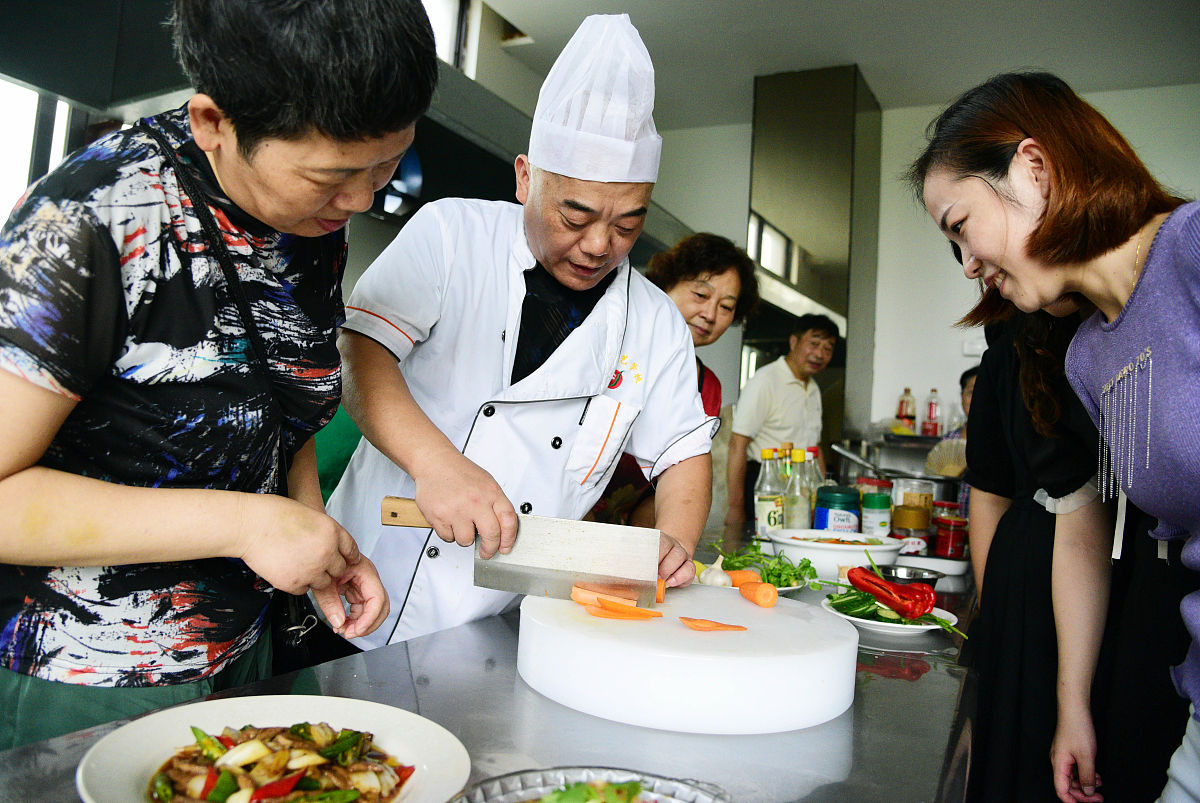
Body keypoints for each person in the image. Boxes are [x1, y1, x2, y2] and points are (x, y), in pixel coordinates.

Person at [0, 0, 438, 749]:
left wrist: (314, 540)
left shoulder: (309, 221)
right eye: (333, 174)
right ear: (212, 122)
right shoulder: (89, 220)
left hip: (246, 652)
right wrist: (246, 522)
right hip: (86, 681)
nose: (362, 199)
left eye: (387, 164)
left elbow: (277, 403)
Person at [325, 14, 716, 648]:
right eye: (576, 214)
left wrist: (675, 542)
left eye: (627, 226)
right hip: (358, 581)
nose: (598, 245)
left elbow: (680, 453)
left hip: (499, 621)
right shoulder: (453, 233)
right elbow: (362, 353)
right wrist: (438, 465)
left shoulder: (653, 320)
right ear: (526, 178)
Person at [910, 70, 1199, 802]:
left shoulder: (1191, 251)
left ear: (1033, 169)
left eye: (960, 227)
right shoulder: (1088, 355)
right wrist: (1073, 707)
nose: (969, 264)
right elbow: (1084, 515)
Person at [959, 313, 1112, 803]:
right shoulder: (1007, 348)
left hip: (1106, 562)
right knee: (1028, 743)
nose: (973, 267)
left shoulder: (1105, 330)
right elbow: (987, 488)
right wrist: (993, 607)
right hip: (1034, 569)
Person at [589, 232, 759, 527]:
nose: (709, 314)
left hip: (624, 531)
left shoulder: (709, 389)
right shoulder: (611, 348)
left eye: (726, 307)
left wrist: (650, 547)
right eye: (701, 295)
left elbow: (664, 484)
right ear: (666, 285)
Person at [724, 313, 838, 527]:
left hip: (800, 487)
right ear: (794, 341)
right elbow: (737, 444)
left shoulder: (813, 389)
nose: (819, 354)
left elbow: (816, 448)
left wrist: (823, 499)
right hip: (767, 483)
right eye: (814, 344)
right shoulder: (765, 381)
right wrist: (736, 507)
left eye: (828, 348)